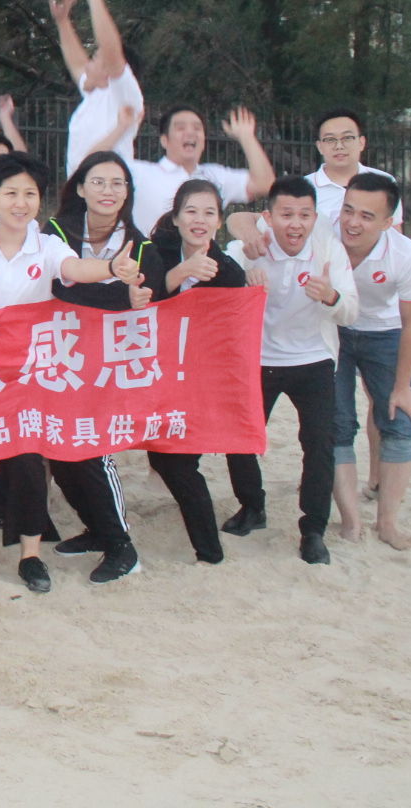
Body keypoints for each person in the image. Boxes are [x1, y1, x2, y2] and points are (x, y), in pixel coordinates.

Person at [0, 152, 138, 593]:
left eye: (30, 194)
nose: (21, 203)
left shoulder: (46, 245)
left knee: (28, 457)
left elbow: (73, 269)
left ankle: (30, 555)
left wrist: (111, 268)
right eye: (11, 192)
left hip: (31, 373)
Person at [222, 176, 358, 565]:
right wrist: (242, 281)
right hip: (258, 359)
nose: (295, 224)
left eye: (304, 215)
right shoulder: (249, 248)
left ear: (315, 217)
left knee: (319, 445)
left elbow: (351, 311)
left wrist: (330, 296)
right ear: (268, 217)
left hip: (314, 360)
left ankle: (313, 529)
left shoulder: (328, 250)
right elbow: (216, 286)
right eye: (286, 215)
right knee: (240, 437)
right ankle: (252, 506)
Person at [41, 151, 151, 582]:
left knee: (92, 449)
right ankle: (96, 528)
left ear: (128, 192)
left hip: (110, 363)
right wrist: (118, 296)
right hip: (62, 355)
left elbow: (152, 295)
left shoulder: (140, 243)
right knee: (60, 450)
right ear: (81, 189)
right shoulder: (55, 233)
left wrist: (130, 299)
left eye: (118, 183)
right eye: (99, 182)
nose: (109, 191)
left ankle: (122, 546)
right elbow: (56, 289)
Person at [138, 178, 246, 565]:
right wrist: (181, 271)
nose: (199, 220)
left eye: (209, 213)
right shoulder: (156, 252)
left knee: (177, 462)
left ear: (219, 222)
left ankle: (209, 551)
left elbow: (231, 334)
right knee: (161, 456)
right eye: (191, 211)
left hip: (199, 380)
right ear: (176, 217)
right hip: (152, 373)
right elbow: (140, 301)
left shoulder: (229, 272)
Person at [331, 173, 411, 550]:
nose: (353, 222)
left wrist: (402, 386)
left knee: (401, 422)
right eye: (348, 210)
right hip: (332, 329)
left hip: (385, 332)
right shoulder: (321, 234)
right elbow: (250, 222)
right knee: (337, 424)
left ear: (388, 222)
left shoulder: (407, 256)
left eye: (367, 216)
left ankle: (387, 523)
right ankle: (351, 521)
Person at [51, 0, 145, 175]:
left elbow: (112, 51)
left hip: (109, 188)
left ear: (108, 72)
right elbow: (76, 63)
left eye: (94, 58)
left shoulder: (123, 96)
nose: (87, 64)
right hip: (80, 189)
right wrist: (63, 22)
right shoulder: (95, 95)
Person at [127, 104, 275, 240]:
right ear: (164, 140)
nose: (190, 132)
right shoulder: (140, 172)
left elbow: (265, 184)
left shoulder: (216, 176)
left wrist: (247, 137)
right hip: (150, 258)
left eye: (197, 128)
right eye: (181, 128)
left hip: (202, 260)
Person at [309, 109, 402, 229]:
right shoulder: (306, 187)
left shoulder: (384, 182)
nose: (339, 146)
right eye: (330, 139)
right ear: (320, 147)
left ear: (361, 142)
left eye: (347, 138)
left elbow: (394, 233)